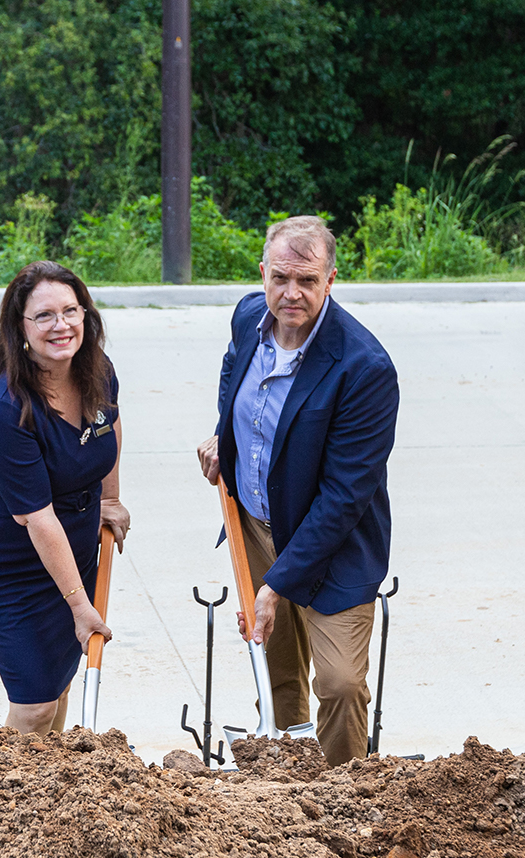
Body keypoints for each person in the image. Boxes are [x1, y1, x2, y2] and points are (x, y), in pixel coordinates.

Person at [196, 216, 399, 767]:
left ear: (331, 280)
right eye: (281, 277)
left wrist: (276, 586)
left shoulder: (364, 367)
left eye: (307, 281)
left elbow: (343, 495)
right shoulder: (247, 318)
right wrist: (225, 433)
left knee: (338, 684)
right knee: (278, 670)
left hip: (333, 546)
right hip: (257, 527)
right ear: (263, 273)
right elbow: (232, 371)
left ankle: (343, 790)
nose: (292, 294)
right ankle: (288, 796)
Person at [0, 261, 129, 733]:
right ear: (21, 327)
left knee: (59, 690)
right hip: (9, 569)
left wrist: (110, 500)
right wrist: (81, 607)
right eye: (45, 316)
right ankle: (1, 801)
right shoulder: (3, 409)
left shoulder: (96, 369)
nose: (62, 325)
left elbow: (109, 423)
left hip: (73, 552)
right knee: (35, 705)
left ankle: (49, 799)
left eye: (71, 311)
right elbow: (37, 519)